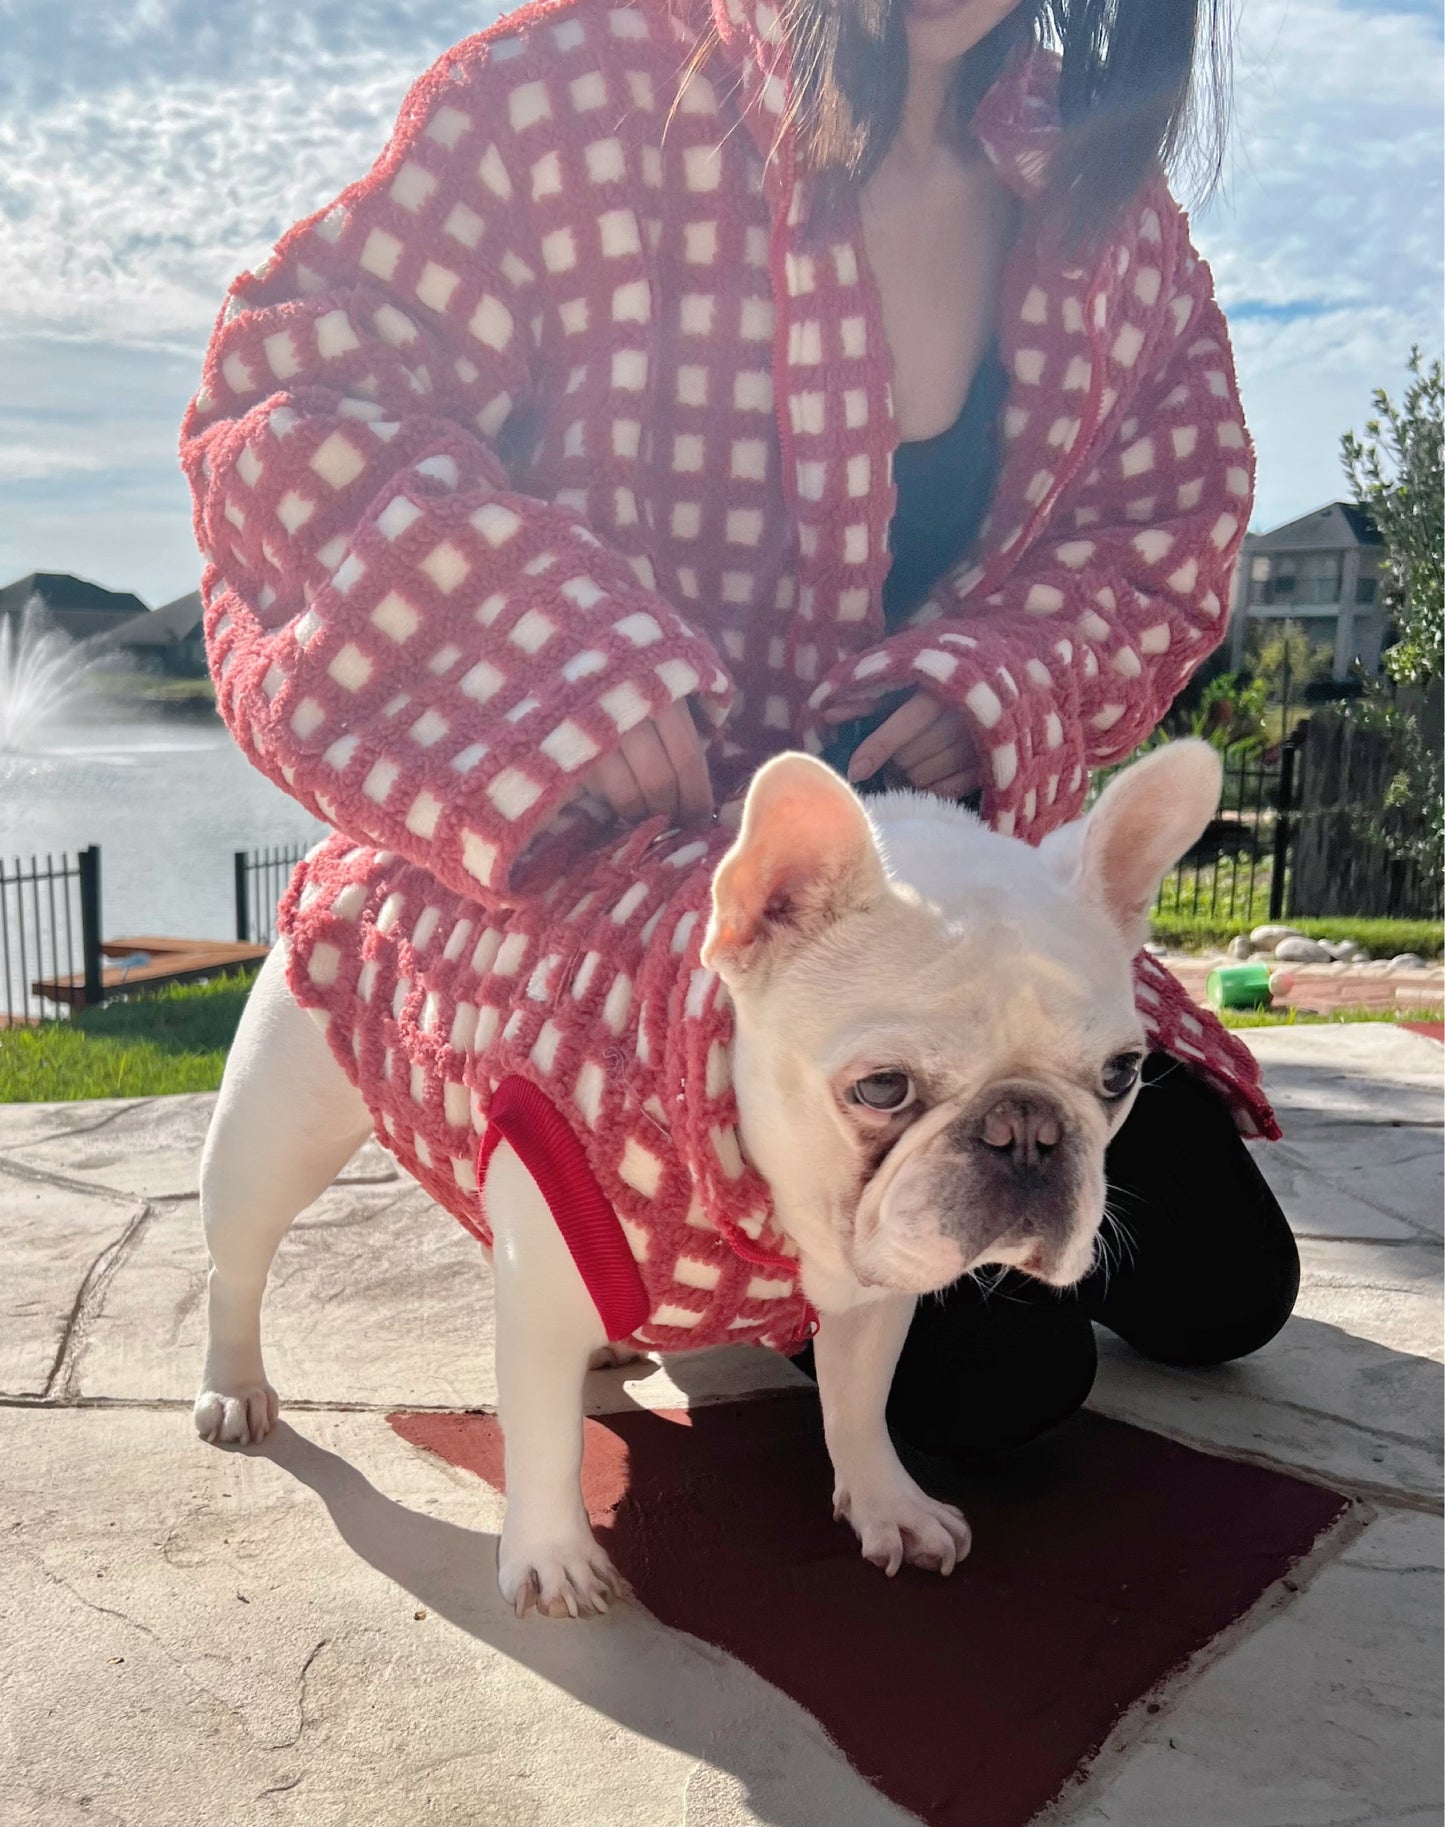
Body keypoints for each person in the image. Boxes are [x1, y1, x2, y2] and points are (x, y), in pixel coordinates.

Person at [182, 0, 1298, 1466]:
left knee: (1226, 1290)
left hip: (927, 929)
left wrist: (995, 687)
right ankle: (615, 1215)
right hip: (615, 893)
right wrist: (553, 658)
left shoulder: (1102, 202)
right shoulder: (572, 93)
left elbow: (1166, 525)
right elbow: (292, 405)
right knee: (1000, 1400)